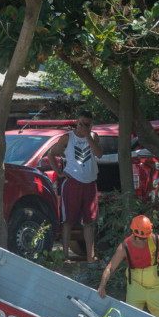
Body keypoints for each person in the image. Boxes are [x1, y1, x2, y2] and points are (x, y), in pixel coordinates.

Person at [97, 215, 159, 317]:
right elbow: (110, 268)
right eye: (141, 238)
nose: (144, 240)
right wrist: (102, 286)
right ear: (134, 234)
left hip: (157, 286)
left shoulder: (155, 240)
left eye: (146, 237)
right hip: (135, 285)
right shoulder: (125, 247)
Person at [44, 110, 103, 262]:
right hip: (73, 182)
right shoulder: (67, 138)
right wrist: (59, 172)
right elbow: (51, 154)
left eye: (87, 124)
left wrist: (88, 136)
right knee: (68, 221)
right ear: (77, 122)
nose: (83, 126)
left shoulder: (94, 136)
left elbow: (99, 154)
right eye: (80, 123)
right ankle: (65, 256)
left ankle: (90, 256)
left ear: (91, 125)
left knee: (89, 222)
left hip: (89, 183)